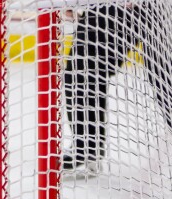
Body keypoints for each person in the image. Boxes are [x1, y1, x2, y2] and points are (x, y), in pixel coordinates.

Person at [63, 3, 172, 171]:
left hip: (158, 7)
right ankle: (86, 147)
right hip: (111, 6)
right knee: (82, 68)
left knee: (165, 77)